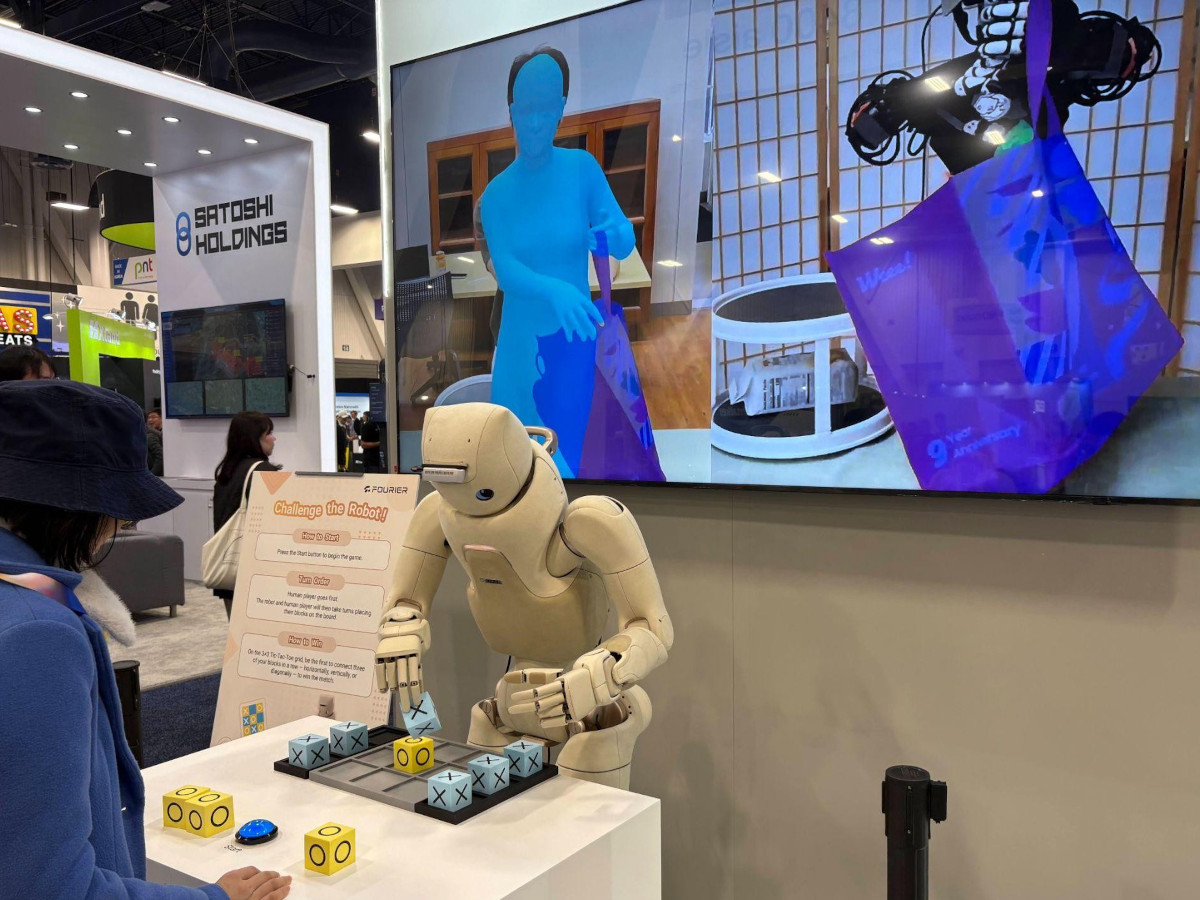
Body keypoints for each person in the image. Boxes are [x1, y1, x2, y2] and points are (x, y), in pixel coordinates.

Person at [0, 380, 292, 900]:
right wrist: (213, 899)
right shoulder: (36, 633)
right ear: (74, 512)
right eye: (119, 509)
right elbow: (52, 886)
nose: (118, 527)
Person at [479, 47, 662, 480]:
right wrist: (556, 289)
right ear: (511, 112)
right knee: (516, 470)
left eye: (546, 109)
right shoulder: (496, 195)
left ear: (561, 108)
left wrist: (615, 233)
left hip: (574, 342)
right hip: (520, 349)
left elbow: (624, 240)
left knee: (575, 465)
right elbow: (506, 269)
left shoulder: (582, 170)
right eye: (526, 110)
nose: (535, 122)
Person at [212, 412, 280, 619]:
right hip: (257, 571)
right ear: (254, 438)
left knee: (237, 629)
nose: (274, 438)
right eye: (269, 433)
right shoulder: (263, 472)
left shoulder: (227, 472)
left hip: (229, 565)